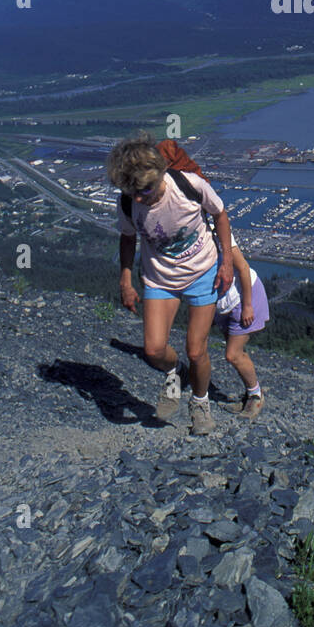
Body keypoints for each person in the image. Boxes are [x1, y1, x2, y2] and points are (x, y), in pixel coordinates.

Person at [107, 133, 233, 434]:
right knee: (153, 350)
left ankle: (200, 403)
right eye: (132, 191)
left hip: (202, 272)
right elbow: (127, 237)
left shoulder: (188, 185)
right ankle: (176, 373)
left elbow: (220, 214)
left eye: (145, 190)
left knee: (196, 350)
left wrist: (226, 261)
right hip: (160, 278)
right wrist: (126, 277)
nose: (139, 198)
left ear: (160, 174)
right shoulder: (129, 203)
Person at [213, 240, 269, 419]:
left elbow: (243, 268)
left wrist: (247, 305)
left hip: (243, 297)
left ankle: (256, 396)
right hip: (223, 303)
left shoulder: (219, 232)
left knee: (233, 354)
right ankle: (249, 395)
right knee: (237, 352)